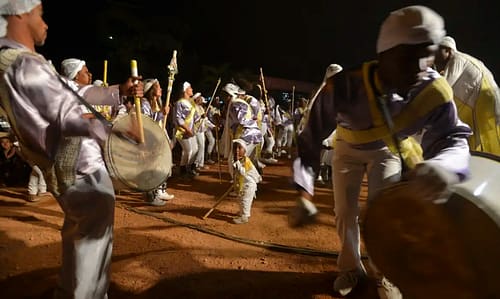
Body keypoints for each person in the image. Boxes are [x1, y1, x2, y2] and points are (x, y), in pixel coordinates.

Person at [290, 5, 472, 299]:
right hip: (346, 150)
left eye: (429, 54)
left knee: (383, 213)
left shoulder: (434, 91)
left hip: (385, 152)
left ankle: (384, 273)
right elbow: (309, 140)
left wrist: (444, 164)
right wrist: (304, 193)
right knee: (345, 212)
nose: (422, 65)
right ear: (384, 54)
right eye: (409, 56)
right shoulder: (344, 87)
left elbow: (454, 137)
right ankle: (350, 269)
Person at [0, 2, 143, 298]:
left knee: (81, 232)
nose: (45, 23)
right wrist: (116, 131)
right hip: (80, 165)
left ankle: (69, 291)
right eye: (39, 14)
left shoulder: (15, 62)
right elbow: (67, 112)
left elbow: (79, 95)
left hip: (75, 163)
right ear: (18, 15)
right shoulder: (23, 64)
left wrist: (120, 90)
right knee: (92, 239)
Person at [434, 36, 500, 155]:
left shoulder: (457, 59)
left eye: (436, 52)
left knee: (490, 136)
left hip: (485, 99)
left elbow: (444, 88)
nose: (433, 57)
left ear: (448, 50)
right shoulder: (456, 61)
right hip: (479, 101)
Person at [140, 78, 174, 206]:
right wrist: (161, 114)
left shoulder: (154, 103)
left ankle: (157, 191)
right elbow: (146, 122)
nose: (161, 89)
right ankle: (150, 196)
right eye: (158, 87)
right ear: (151, 90)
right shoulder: (144, 104)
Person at [231, 138, 262, 224]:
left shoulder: (246, 161)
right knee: (241, 199)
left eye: (239, 148)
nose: (236, 150)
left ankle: (244, 217)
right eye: (235, 148)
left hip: (249, 185)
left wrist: (237, 162)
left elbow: (243, 172)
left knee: (245, 200)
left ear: (244, 150)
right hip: (243, 184)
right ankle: (242, 212)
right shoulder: (239, 160)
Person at [174, 81, 200, 178]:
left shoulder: (190, 103)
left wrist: (200, 118)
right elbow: (178, 118)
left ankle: (190, 168)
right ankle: (183, 170)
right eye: (190, 88)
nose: (192, 89)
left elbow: (194, 117)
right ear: (185, 90)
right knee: (188, 150)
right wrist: (187, 130)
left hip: (190, 130)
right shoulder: (180, 103)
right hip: (182, 131)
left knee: (195, 149)